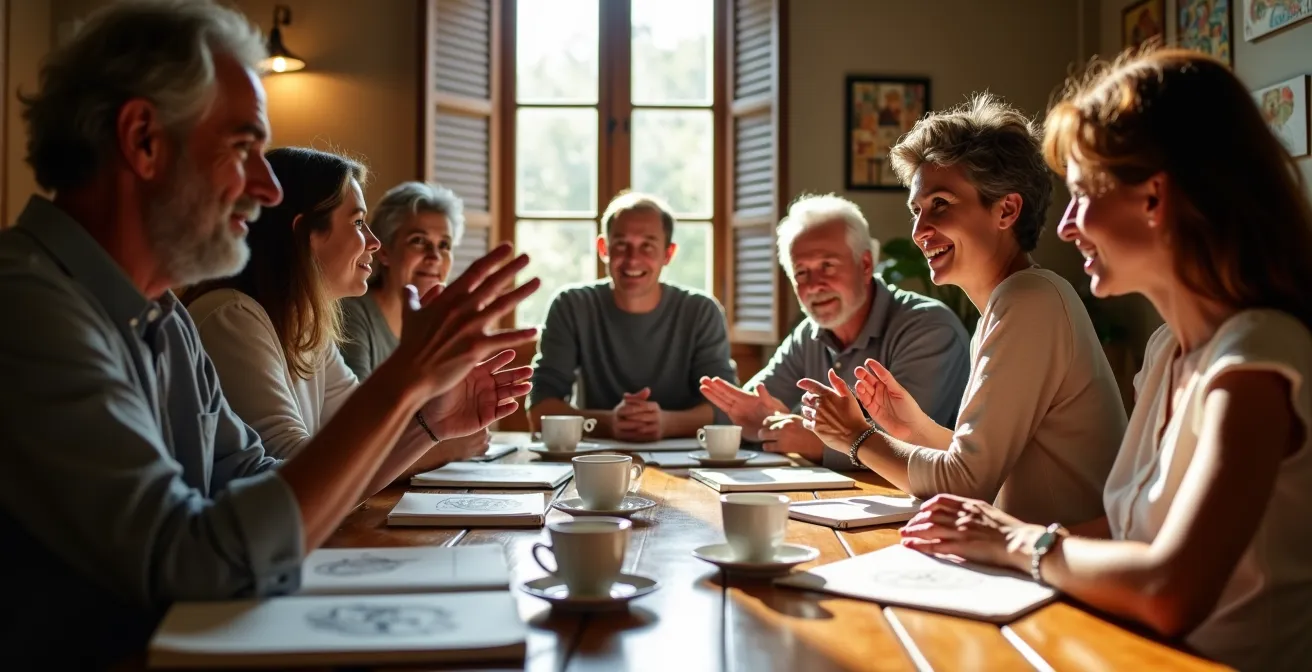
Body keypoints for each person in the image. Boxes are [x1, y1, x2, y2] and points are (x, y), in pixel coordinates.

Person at [0, 1, 538, 664]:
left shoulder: (164, 320)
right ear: (143, 140)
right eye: (244, 147)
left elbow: (264, 482)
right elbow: (196, 561)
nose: (268, 188)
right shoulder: (27, 308)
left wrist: (423, 424)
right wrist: (401, 385)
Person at [899, 49, 1312, 670]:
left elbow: (1169, 589)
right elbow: (1128, 534)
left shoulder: (1255, 360)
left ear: (1155, 198)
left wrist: (1020, 542)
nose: (1066, 226)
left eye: (1084, 192)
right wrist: (984, 535)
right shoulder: (1168, 349)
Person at [799, 94, 1126, 525]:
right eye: (917, 210)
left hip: (1065, 571)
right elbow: (986, 464)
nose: (919, 231)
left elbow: (966, 484)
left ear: (1006, 210)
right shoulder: (1010, 303)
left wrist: (856, 437)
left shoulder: (1030, 301)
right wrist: (911, 427)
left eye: (941, 205)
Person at [184, 148, 503, 469]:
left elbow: (366, 424)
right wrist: (431, 422)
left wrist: (437, 414)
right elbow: (294, 465)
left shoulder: (307, 325)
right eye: (359, 222)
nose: (375, 242)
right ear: (305, 234)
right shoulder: (232, 316)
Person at [700, 194, 971, 470]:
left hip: (928, 504)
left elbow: (911, 443)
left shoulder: (930, 328)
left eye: (827, 266)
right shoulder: (807, 334)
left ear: (865, 265)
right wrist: (756, 423)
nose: (815, 285)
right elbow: (758, 410)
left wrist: (815, 444)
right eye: (801, 273)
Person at [528, 191, 736, 442]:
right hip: (594, 460)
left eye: (647, 245)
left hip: (688, 460)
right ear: (603, 249)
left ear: (668, 254)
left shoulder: (702, 311)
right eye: (621, 244)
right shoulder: (571, 305)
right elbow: (540, 410)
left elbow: (727, 409)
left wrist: (666, 424)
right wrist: (608, 424)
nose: (632, 259)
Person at [340, 180, 464, 380]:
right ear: (385, 251)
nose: (435, 257)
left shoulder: (444, 328)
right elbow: (356, 408)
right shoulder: (351, 315)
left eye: (444, 245)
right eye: (418, 240)